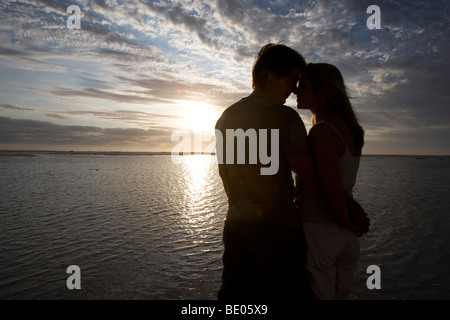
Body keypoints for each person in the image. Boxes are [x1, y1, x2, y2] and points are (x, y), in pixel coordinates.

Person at [215, 43, 316, 300]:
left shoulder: (226, 117)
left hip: (236, 225)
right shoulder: (284, 117)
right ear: (272, 76)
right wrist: (349, 208)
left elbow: (227, 173)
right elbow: (311, 177)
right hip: (277, 229)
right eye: (293, 80)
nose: (295, 90)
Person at [294, 63, 370, 300]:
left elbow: (330, 189)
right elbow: (340, 184)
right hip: (344, 238)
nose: (296, 91)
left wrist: (346, 222)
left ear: (322, 91)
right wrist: (351, 222)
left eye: (303, 86)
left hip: (321, 232)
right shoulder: (351, 130)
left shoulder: (322, 133)